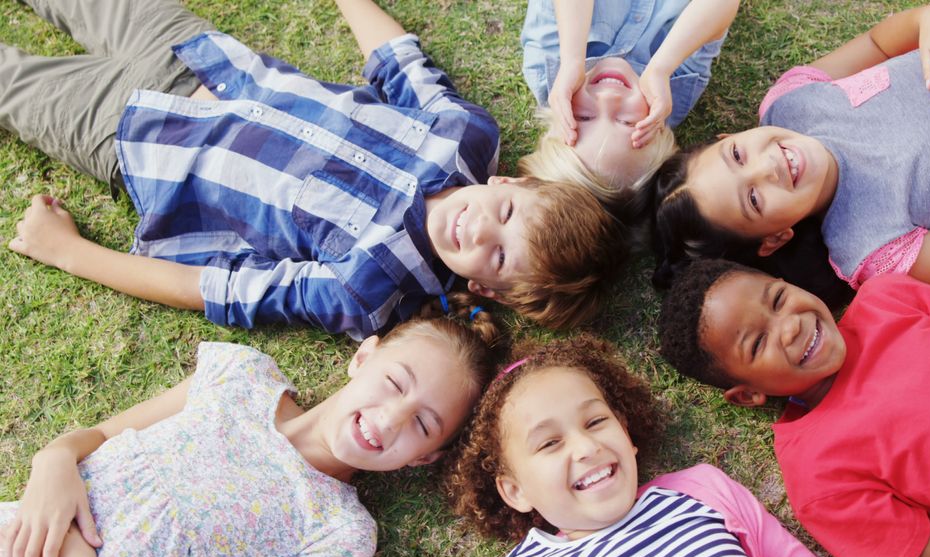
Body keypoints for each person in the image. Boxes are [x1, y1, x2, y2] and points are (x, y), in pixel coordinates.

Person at [3, 0, 627, 338]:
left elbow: (221, 292)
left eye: (495, 257)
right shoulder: (463, 138)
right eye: (507, 215)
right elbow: (398, 62)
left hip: (138, 143)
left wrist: (67, 253)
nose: (478, 230)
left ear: (485, 291)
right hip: (200, 58)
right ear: (510, 183)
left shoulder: (367, 289)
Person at [0, 293, 507, 557]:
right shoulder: (239, 376)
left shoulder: (341, 534)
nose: (391, 418)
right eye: (395, 382)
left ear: (424, 458)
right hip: (23, 533)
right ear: (363, 356)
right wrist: (51, 462)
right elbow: (97, 435)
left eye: (422, 424)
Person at [649, 0, 930, 305]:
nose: (769, 166)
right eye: (754, 199)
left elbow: (878, 43)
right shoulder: (870, 246)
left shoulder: (790, 103)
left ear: (730, 136)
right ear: (774, 239)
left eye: (739, 157)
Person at [658, 258, 930, 557]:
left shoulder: (889, 298)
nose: (789, 326)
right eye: (757, 343)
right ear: (748, 394)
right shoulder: (816, 475)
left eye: (779, 299)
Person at [446, 336, 826, 557]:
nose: (586, 446)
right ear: (515, 491)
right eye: (549, 443)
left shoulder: (697, 490)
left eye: (595, 421)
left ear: (626, 433)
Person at [518, 0, 738, 219]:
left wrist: (572, 59)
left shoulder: (547, 67)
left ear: (556, 119)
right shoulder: (675, 90)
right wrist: (661, 68)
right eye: (626, 121)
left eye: (584, 117)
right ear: (659, 132)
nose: (608, 98)